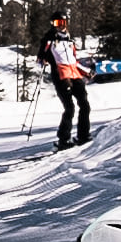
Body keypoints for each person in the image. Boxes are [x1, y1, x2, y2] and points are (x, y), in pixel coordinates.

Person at [42, 15, 93, 150]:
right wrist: (45, 56)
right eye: (58, 22)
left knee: (85, 105)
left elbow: (73, 61)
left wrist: (85, 72)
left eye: (63, 22)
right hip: (61, 76)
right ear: (52, 23)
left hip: (74, 74)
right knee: (69, 108)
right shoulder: (50, 39)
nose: (61, 25)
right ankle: (63, 140)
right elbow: (41, 57)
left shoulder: (69, 40)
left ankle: (83, 135)